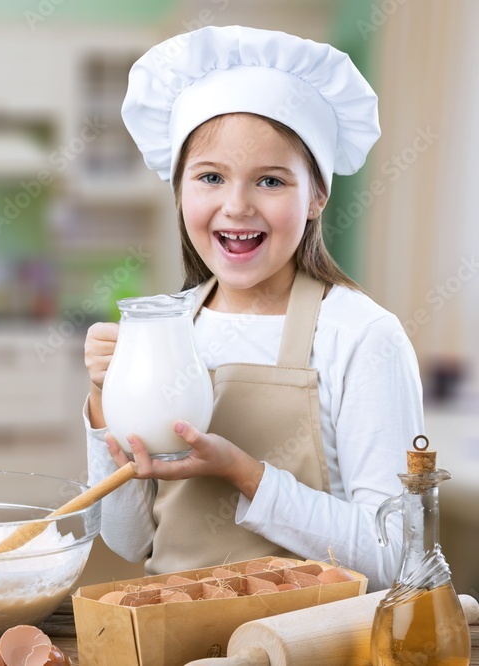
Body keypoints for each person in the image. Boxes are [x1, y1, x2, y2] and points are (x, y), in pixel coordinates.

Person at [84, 25, 423, 593]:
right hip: (177, 642)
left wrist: (242, 473)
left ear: (316, 195)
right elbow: (128, 540)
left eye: (270, 180)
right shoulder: (167, 330)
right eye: (210, 177)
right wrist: (102, 401)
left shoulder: (362, 336)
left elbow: (396, 557)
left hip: (310, 644)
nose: (236, 206)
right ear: (179, 189)